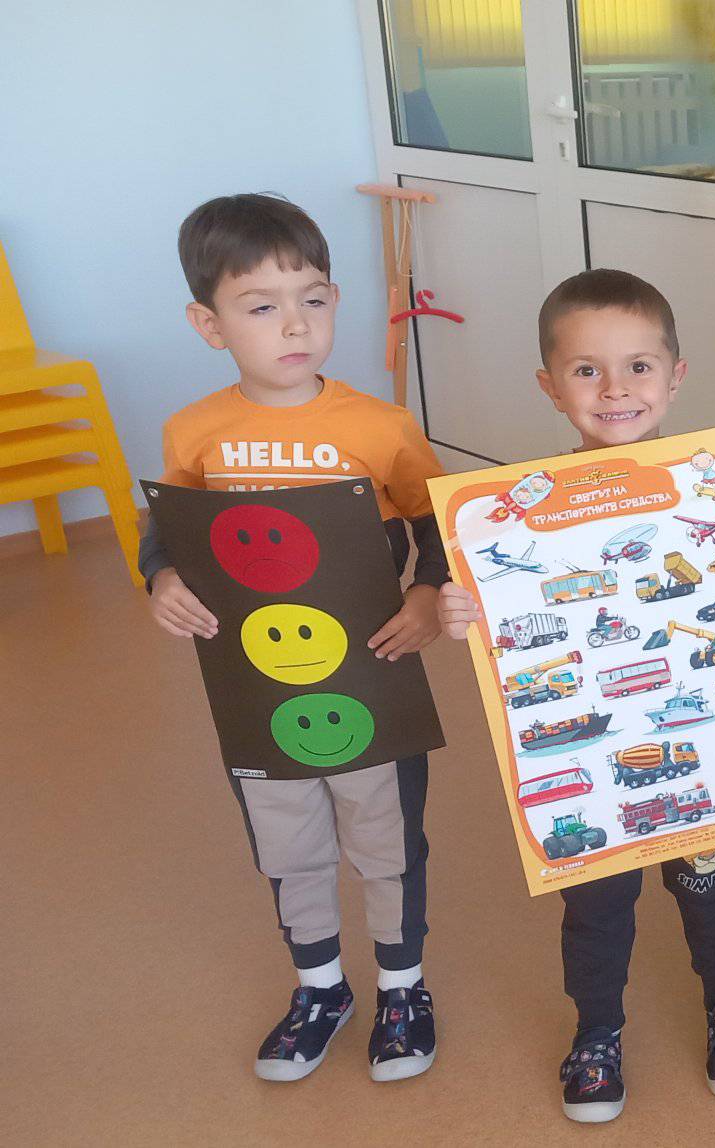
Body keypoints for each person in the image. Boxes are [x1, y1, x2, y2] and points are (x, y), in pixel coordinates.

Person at [438, 270, 715, 1123]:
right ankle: (596, 1031)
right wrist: (465, 611)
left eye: (639, 366)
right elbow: (509, 634)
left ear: (676, 376)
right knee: (597, 909)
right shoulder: (515, 516)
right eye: (586, 370)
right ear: (550, 385)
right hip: (601, 771)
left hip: (702, 757)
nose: (615, 389)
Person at [144, 194, 445, 1084]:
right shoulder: (195, 432)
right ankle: (320, 987)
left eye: (313, 298)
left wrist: (428, 593)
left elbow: (440, 522)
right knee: (289, 844)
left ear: (336, 300)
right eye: (261, 306)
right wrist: (160, 577)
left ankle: (403, 988)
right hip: (258, 689)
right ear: (209, 324)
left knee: (386, 840)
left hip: (371, 677)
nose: (295, 325)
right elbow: (166, 528)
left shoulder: (380, 427)